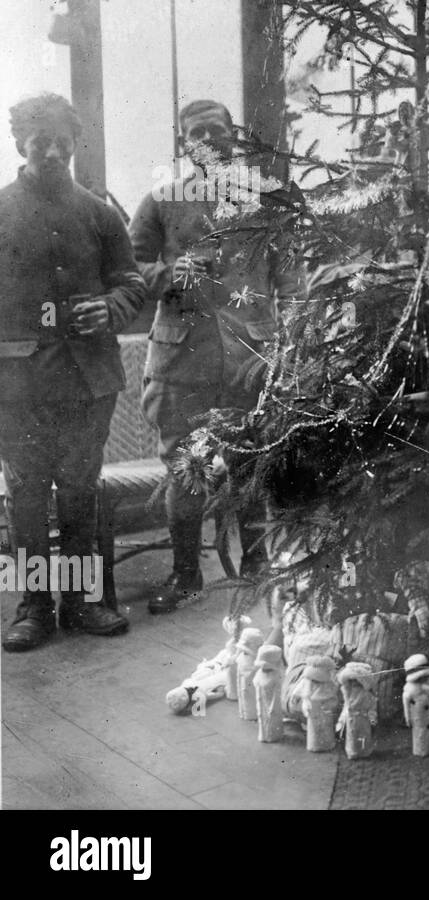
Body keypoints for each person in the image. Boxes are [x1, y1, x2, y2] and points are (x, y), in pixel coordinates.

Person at [130, 99, 300, 614]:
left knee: (251, 462)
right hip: (183, 360)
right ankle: (186, 576)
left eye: (218, 131)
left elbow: (291, 278)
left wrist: (290, 341)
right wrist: (177, 273)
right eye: (196, 133)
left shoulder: (268, 198)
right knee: (187, 467)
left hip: (250, 355)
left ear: (234, 135)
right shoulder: (161, 200)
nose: (209, 140)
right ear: (184, 143)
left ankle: (256, 570)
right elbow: (132, 271)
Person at [0, 94, 146, 651]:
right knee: (27, 496)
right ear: (21, 144)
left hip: (88, 381)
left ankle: (83, 603)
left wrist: (108, 308)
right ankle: (34, 608)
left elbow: (131, 284)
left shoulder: (100, 214)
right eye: (43, 140)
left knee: (80, 491)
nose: (55, 151)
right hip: (17, 387)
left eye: (64, 140)